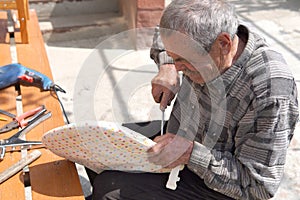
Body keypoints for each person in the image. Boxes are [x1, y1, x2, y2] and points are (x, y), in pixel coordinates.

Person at [91, 0, 299, 199]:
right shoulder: (199, 38)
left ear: (224, 44)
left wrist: (191, 153)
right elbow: (162, 34)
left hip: (220, 181)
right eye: (175, 56)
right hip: (182, 136)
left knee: (109, 190)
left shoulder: (270, 91)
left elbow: (257, 187)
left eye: (183, 60)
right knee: (97, 146)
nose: (179, 66)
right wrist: (167, 65)